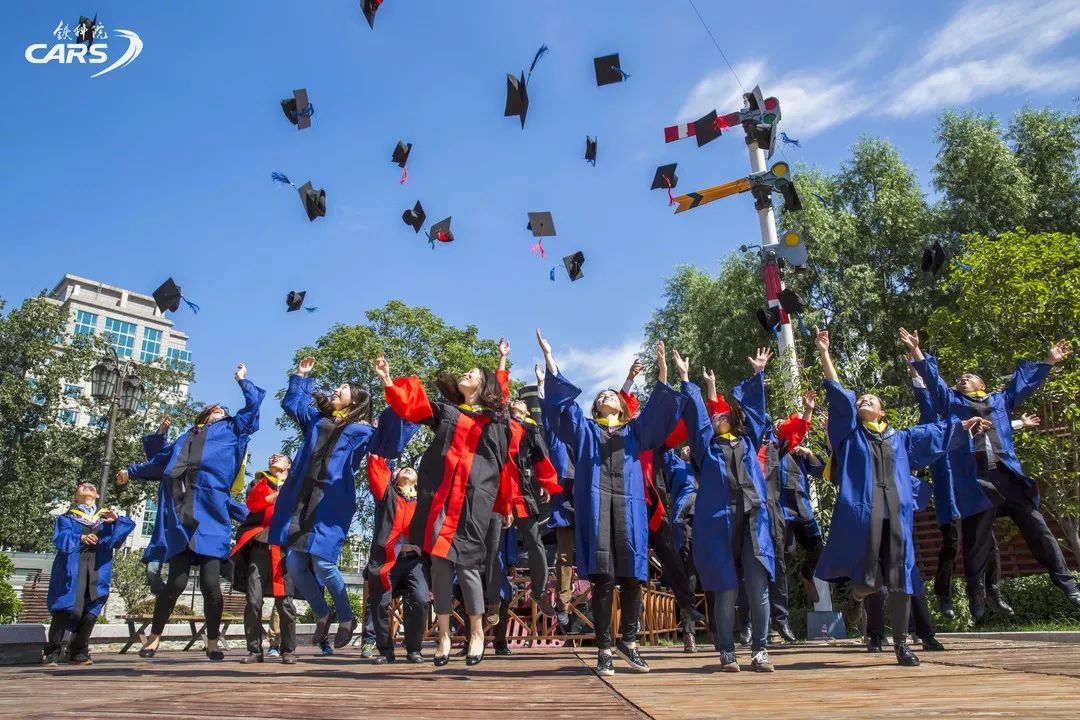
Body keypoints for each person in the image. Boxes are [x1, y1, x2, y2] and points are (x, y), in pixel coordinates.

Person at [814, 328, 980, 667]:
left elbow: (937, 431)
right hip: (864, 514)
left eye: (870, 400)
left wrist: (964, 426)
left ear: (882, 411)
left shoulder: (900, 439)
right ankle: (859, 594)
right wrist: (824, 353)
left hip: (896, 514)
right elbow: (838, 395)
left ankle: (902, 645)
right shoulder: (849, 436)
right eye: (861, 400)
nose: (863, 401)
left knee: (901, 577)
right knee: (870, 579)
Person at [538, 331, 683, 677]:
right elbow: (564, 409)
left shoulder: (635, 433)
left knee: (633, 578)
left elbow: (657, 413)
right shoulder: (586, 431)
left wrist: (662, 370)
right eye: (601, 394)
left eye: (611, 395)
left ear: (620, 404)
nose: (606, 396)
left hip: (629, 510)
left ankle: (629, 643)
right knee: (603, 579)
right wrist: (550, 357)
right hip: (597, 510)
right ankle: (604, 649)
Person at [905, 330, 1079, 617]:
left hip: (1007, 476)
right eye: (959, 378)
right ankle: (977, 595)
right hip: (976, 480)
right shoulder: (952, 403)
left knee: (1039, 529)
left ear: (981, 384)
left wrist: (1048, 361)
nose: (961, 379)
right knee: (976, 541)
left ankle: (1067, 583)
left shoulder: (999, 401)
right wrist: (917, 352)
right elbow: (934, 383)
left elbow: (1023, 386)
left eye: (968, 376)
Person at [376, 352, 518, 668]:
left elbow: (504, 464)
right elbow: (414, 408)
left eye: (473, 373)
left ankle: (477, 632)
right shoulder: (447, 412)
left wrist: (506, 503)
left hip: (473, 499)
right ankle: (443, 635)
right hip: (440, 496)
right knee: (440, 565)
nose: (465, 374)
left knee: (467, 564)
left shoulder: (495, 421)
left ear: (485, 385)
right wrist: (387, 379)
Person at [117, 363, 264, 661]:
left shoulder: (233, 430)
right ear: (204, 415)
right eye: (215, 410)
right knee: (177, 583)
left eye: (223, 410)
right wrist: (129, 472)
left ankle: (211, 642)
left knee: (211, 584)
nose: (220, 412)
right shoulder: (186, 438)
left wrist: (242, 380)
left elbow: (253, 408)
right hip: (183, 514)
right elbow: (160, 463)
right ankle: (155, 638)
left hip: (212, 513)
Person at [271, 355, 414, 650]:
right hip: (301, 497)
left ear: (356, 399)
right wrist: (300, 376)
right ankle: (324, 614)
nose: (336, 389)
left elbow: (391, 440)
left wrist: (387, 381)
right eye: (337, 386)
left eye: (344, 388)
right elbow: (293, 405)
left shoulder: (363, 431)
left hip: (331, 500)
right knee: (295, 563)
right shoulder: (317, 420)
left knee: (323, 562)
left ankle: (347, 618)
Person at [679, 349, 779, 673]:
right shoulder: (706, 449)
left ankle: (760, 650)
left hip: (752, 518)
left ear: (732, 420)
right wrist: (685, 379)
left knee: (757, 584)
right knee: (726, 587)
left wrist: (758, 374)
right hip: (718, 521)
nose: (718, 415)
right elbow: (696, 415)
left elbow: (757, 413)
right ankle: (726, 650)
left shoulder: (748, 441)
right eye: (715, 415)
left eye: (722, 414)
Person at [907, 358, 1011, 619]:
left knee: (989, 542)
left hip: (972, 482)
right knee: (951, 543)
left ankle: (992, 590)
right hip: (948, 485)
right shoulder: (934, 407)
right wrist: (913, 359)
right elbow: (921, 384)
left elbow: (993, 426)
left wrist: (1019, 424)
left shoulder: (966, 408)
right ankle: (944, 595)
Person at [488, 339, 561, 622]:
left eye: (521, 403)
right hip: (498, 492)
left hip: (523, 493)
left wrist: (545, 483)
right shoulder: (501, 421)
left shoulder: (532, 431)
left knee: (535, 543)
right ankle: (493, 601)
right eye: (514, 401)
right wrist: (503, 358)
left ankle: (540, 592)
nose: (517, 402)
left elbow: (543, 459)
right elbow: (499, 391)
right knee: (492, 548)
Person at [44, 483, 135, 666]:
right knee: (66, 608)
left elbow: (117, 539)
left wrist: (116, 520)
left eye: (92, 487)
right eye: (82, 487)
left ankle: (78, 652)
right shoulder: (67, 518)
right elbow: (60, 539)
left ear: (98, 496)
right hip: (73, 567)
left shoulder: (105, 518)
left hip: (97, 567)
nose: (88, 487)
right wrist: (80, 538)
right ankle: (52, 652)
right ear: (75, 496)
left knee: (91, 610)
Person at [760, 391, 817, 643]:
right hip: (766, 509)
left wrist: (807, 412)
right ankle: (769, 624)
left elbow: (797, 432)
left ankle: (782, 617)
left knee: (807, 551)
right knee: (771, 562)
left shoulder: (787, 447)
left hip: (793, 507)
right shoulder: (755, 444)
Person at [231, 452, 298, 664]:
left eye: (280, 457)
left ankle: (288, 650)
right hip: (259, 546)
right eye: (272, 457)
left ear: (289, 464)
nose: (274, 458)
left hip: (284, 549)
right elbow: (254, 503)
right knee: (253, 600)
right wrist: (278, 495)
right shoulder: (260, 481)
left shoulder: (297, 485)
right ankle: (254, 650)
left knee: (285, 603)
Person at [364, 455, 429, 664]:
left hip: (414, 561)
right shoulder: (387, 494)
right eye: (403, 469)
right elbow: (376, 469)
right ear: (394, 477)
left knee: (420, 600)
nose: (408, 470)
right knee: (379, 603)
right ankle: (385, 651)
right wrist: (378, 450)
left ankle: (414, 649)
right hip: (387, 560)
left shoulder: (423, 499)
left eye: (412, 469)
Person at [535, 362, 578, 630]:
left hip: (588, 498)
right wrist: (541, 385)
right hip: (564, 502)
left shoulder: (585, 429)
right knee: (564, 556)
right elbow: (547, 418)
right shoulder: (555, 436)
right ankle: (563, 604)